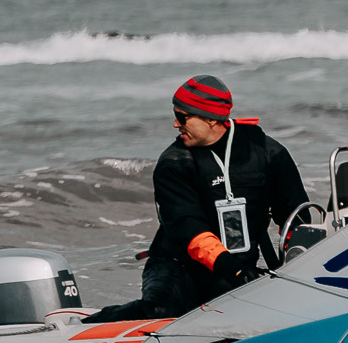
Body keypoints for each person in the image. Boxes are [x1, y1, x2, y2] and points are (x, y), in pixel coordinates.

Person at [85, 75, 311, 323]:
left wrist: (296, 266)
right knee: (159, 313)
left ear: (212, 118)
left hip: (237, 267)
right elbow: (189, 228)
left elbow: (296, 215)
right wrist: (232, 270)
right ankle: (89, 325)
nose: (175, 124)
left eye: (182, 117)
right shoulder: (173, 163)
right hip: (178, 266)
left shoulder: (268, 152)